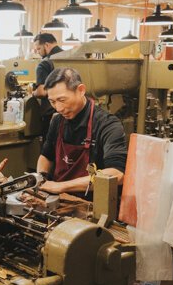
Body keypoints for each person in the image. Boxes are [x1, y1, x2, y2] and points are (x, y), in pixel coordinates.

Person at [37, 67, 127, 195]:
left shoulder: (108, 125)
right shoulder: (57, 121)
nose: (58, 108)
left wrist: (62, 186)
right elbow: (46, 156)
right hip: (58, 199)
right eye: (52, 102)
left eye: (62, 100)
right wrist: (41, 179)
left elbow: (117, 174)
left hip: (92, 203)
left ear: (81, 90)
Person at [32, 33, 64, 139]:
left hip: (51, 114)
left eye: (38, 48)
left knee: (50, 150)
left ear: (46, 45)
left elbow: (42, 92)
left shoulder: (44, 63)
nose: (38, 52)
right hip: (71, 111)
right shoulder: (70, 58)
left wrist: (33, 93)